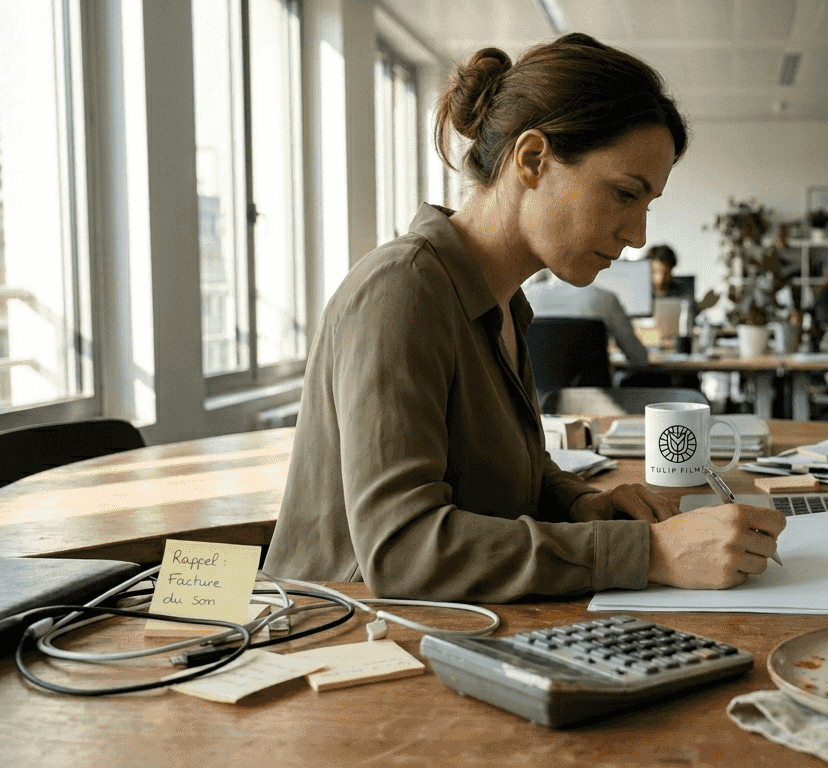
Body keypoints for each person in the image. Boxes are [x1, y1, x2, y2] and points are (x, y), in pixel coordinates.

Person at [263, 33, 784, 603]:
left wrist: (583, 505)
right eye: (623, 194)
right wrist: (651, 552)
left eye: (647, 205)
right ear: (533, 159)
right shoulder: (402, 290)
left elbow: (508, 475)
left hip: (440, 624)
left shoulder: (506, 302)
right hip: (343, 635)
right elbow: (403, 550)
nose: (638, 235)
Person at [524, 269, 649, 367]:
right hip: (594, 391)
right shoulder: (605, 299)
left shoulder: (525, 296)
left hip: (536, 391)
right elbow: (639, 357)